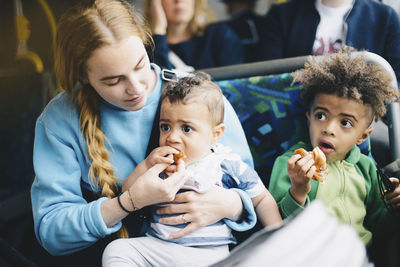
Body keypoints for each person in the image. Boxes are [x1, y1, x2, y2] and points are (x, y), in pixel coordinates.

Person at [30, 0, 257, 265]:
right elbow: (52, 232)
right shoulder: (59, 121)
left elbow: (251, 187)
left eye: (140, 65)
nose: (136, 88)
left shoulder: (196, 96)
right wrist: (128, 203)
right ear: (82, 76)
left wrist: (231, 204)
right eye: (113, 80)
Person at [102, 72, 282, 266]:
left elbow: (262, 198)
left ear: (215, 134)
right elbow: (127, 191)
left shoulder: (226, 163)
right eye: (165, 127)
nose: (172, 137)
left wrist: (280, 237)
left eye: (186, 129)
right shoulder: (160, 163)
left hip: (207, 254)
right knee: (117, 250)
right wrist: (146, 165)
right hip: (158, 246)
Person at [268, 49, 400, 252]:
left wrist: (394, 209)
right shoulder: (291, 164)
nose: (328, 129)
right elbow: (277, 229)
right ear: (308, 118)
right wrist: (298, 191)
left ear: (362, 137)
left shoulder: (368, 169)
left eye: (345, 122)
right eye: (321, 116)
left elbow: (380, 230)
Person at [259, 0, 400, 86]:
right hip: (295, 110)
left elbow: (395, 79)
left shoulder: (385, 18)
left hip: (361, 119)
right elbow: (266, 75)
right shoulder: (282, 15)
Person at [144, 0, 244, 71]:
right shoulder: (147, 48)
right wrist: (158, 33)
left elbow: (236, 84)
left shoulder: (220, 35)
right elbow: (161, 88)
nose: (179, 1)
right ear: (155, 4)